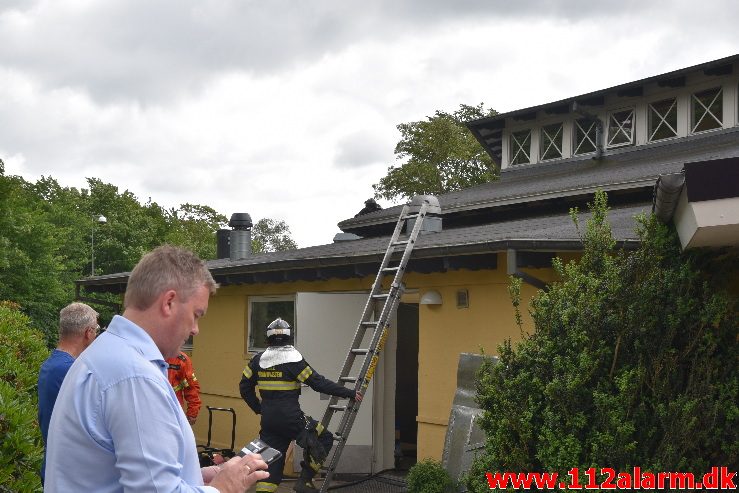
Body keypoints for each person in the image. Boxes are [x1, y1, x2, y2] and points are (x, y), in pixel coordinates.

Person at [45, 245, 269, 492]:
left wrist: (192, 476)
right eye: (196, 314)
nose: (196, 329)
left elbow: (129, 475)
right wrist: (224, 487)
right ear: (169, 302)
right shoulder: (134, 376)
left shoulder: (104, 355)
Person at [240, 317, 363, 493]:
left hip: (269, 423)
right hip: (293, 420)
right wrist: (349, 393)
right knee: (325, 438)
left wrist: (259, 409)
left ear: (268, 338)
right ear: (289, 337)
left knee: (270, 466)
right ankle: (304, 481)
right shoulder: (294, 360)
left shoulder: (257, 361)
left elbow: (244, 387)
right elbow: (318, 383)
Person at [37, 302, 99, 483]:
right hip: (70, 475)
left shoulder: (51, 365)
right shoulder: (70, 370)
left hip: (54, 466)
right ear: (88, 333)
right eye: (96, 330)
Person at [168, 351, 202, 424]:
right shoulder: (145, 356)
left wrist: (192, 413)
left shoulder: (180, 360)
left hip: (173, 411)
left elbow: (191, 388)